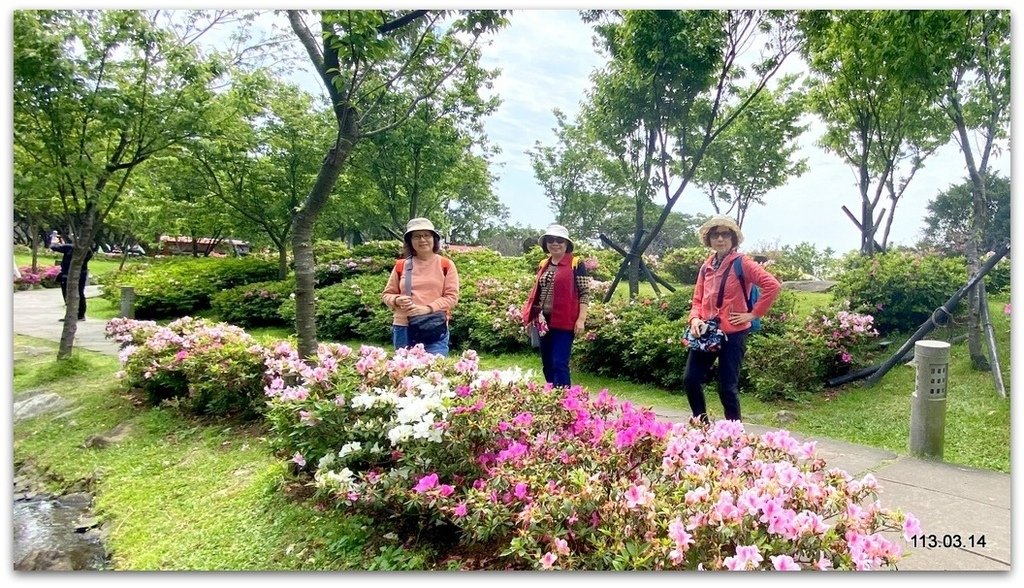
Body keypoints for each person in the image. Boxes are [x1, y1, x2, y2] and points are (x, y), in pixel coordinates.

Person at [685, 215, 780, 424]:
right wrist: (694, 320)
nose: (720, 239)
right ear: (709, 239)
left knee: (727, 388)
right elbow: (697, 299)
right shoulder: (706, 266)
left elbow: (772, 285)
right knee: (690, 380)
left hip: (733, 334)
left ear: (733, 238)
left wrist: (753, 314)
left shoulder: (742, 263)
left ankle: (734, 437)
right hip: (707, 333)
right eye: (715, 234)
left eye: (725, 234)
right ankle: (703, 427)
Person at [521, 224, 590, 387]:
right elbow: (537, 291)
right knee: (547, 363)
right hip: (543, 321)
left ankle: (566, 401)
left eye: (559, 240)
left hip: (565, 321)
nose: (555, 243)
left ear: (566, 244)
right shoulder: (543, 263)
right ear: (546, 243)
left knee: (559, 362)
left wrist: (581, 319)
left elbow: (584, 293)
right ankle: (552, 396)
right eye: (551, 240)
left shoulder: (576, 263)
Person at [381, 218, 460, 356]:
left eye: (426, 235)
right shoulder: (401, 265)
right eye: (417, 236)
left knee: (435, 371)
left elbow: (452, 297)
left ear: (434, 239)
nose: (422, 239)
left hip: (434, 326)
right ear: (410, 241)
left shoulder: (446, 265)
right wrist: (396, 300)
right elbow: (387, 294)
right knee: (404, 371)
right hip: (403, 327)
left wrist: (426, 309)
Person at [49, 233, 93, 322]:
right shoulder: (83, 249)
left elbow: (53, 246)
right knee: (72, 294)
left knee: (75, 293)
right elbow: (54, 247)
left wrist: (55, 240)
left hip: (75, 274)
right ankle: (74, 314)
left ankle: (77, 315)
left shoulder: (71, 248)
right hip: (73, 273)